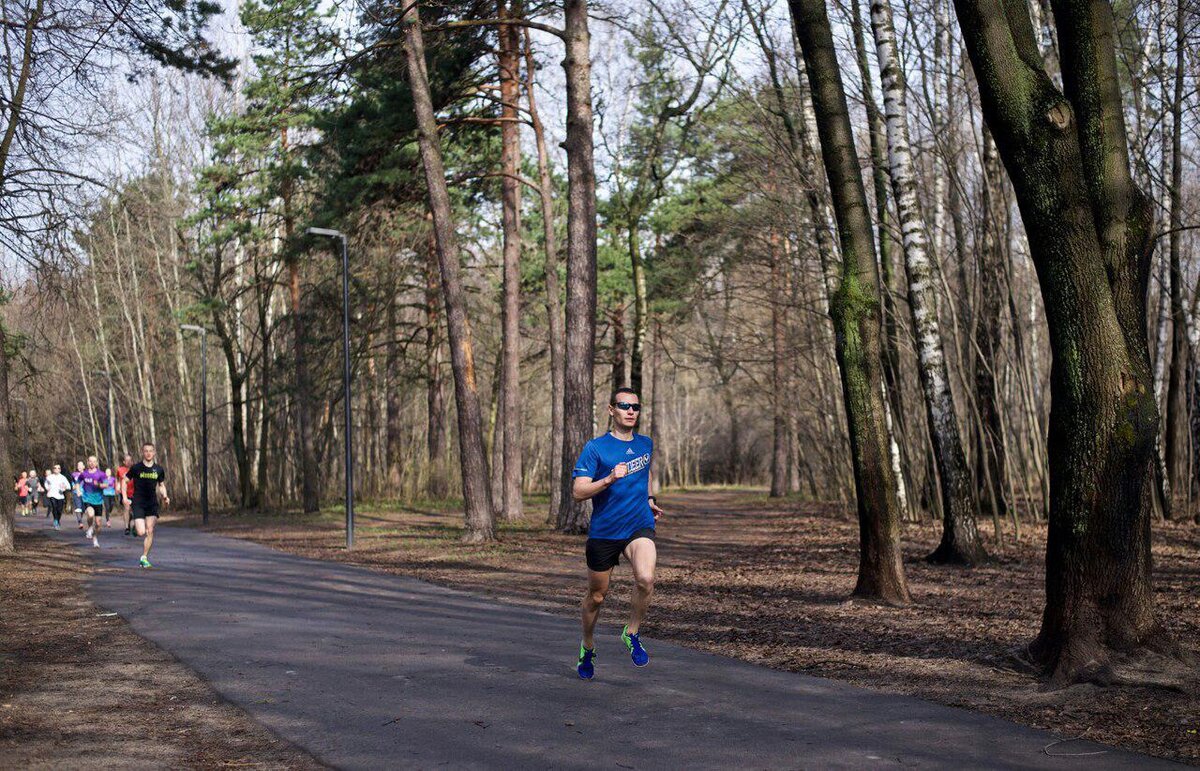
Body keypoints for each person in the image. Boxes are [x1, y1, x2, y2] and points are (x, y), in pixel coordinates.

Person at [570, 387, 665, 680]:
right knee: (597, 597)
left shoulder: (645, 444)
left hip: (637, 525)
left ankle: (631, 633)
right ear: (611, 409)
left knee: (646, 579)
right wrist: (609, 478)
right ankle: (587, 646)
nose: (631, 411)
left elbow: (646, 472)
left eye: (635, 406)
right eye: (624, 405)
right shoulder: (596, 448)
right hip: (605, 531)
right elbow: (578, 492)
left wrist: (649, 500)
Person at [126, 443, 169, 568]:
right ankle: (135, 528)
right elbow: (125, 480)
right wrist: (124, 497)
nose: (148, 453)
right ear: (142, 452)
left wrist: (165, 496)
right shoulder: (136, 468)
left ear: (154, 452)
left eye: (151, 451)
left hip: (152, 503)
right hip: (138, 502)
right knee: (141, 532)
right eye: (146, 451)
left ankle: (144, 557)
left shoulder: (159, 469)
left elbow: (161, 485)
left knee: (150, 530)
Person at [79, 456, 107, 548]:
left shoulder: (101, 474)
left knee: (98, 524)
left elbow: (106, 485)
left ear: (96, 463)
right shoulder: (84, 474)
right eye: (90, 461)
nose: (92, 463)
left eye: (94, 461)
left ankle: (95, 539)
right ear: (87, 462)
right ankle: (90, 528)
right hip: (87, 499)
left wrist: (98, 484)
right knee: (90, 514)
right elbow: (77, 482)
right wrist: (78, 490)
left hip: (98, 500)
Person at [43, 464, 70, 530]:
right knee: (54, 507)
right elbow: (46, 483)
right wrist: (47, 488)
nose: (57, 469)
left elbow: (68, 486)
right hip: (52, 494)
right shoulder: (50, 477)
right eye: (55, 468)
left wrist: (64, 487)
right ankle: (55, 520)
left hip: (60, 496)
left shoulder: (63, 477)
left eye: (58, 468)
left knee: (59, 510)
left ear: (60, 470)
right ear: (53, 469)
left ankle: (57, 520)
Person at [117, 455, 134, 536]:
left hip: (134, 493)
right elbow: (117, 479)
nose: (128, 462)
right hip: (124, 493)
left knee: (132, 512)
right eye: (126, 460)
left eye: (130, 460)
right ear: (124, 462)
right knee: (126, 507)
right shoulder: (120, 470)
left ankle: (129, 520)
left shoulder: (136, 470)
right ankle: (127, 527)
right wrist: (117, 486)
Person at [71, 461, 86, 528]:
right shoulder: (74, 474)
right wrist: (75, 486)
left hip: (85, 494)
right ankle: (80, 522)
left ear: (84, 466)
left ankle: (80, 519)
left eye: (81, 465)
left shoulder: (87, 474)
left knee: (83, 509)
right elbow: (72, 484)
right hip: (76, 493)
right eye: (78, 465)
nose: (79, 467)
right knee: (78, 507)